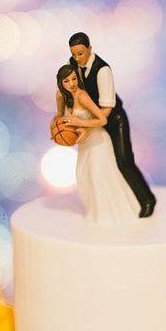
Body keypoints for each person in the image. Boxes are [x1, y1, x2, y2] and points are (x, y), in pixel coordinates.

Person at [68, 31, 156, 218]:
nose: (77, 58)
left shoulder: (103, 70)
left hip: (114, 120)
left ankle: (147, 199)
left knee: (124, 161)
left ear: (90, 49)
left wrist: (86, 123)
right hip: (94, 119)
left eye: (81, 53)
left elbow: (107, 111)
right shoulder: (73, 65)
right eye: (74, 54)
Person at [55, 64, 140, 226]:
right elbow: (60, 118)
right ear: (61, 83)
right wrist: (60, 132)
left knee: (98, 177)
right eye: (67, 81)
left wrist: (82, 123)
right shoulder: (61, 96)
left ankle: (106, 218)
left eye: (74, 79)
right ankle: (94, 213)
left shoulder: (82, 96)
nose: (72, 84)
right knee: (82, 176)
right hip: (84, 143)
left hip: (98, 140)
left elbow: (102, 119)